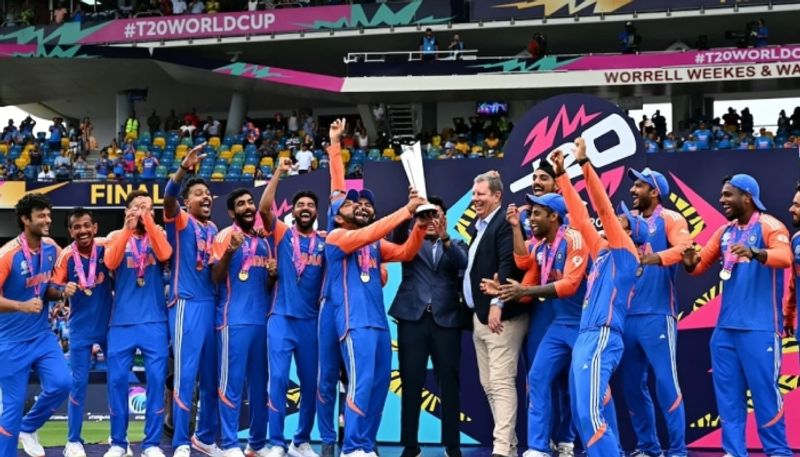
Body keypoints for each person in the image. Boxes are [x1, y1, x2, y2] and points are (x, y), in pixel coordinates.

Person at [682, 174, 792, 457]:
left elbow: (784, 258)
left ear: (747, 197)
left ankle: (777, 452)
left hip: (760, 328)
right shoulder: (725, 232)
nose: (722, 200)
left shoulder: (770, 225)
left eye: (728, 194)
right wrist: (688, 262)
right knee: (728, 399)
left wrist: (755, 252)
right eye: (721, 195)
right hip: (725, 331)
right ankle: (734, 452)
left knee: (765, 395)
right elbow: (698, 267)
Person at [325, 184, 428, 457]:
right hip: (353, 322)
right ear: (337, 216)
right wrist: (407, 210)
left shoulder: (374, 245)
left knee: (379, 385)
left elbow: (406, 253)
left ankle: (366, 445)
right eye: (350, 205)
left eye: (363, 204)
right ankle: (351, 447)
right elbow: (373, 230)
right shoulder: (335, 237)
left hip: (379, 324)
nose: (359, 206)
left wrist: (419, 226)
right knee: (361, 382)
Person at [552, 139, 641, 457]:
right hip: (586, 336)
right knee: (581, 412)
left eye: (622, 221)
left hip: (603, 336)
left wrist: (585, 165)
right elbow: (581, 218)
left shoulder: (627, 252)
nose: (612, 221)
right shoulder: (602, 251)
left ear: (631, 233)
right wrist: (562, 177)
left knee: (589, 414)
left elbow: (601, 207)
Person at [482, 193, 588, 457]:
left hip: (584, 325)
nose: (531, 219)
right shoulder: (540, 248)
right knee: (538, 378)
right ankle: (538, 448)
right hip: (559, 324)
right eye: (529, 215)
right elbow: (524, 271)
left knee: (585, 387)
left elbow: (570, 285)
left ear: (554, 216)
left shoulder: (574, 238)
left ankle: (600, 447)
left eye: (536, 214)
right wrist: (506, 291)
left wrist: (522, 291)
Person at [620, 168, 691, 457]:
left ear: (655, 191)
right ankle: (648, 447)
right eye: (633, 185)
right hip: (625, 317)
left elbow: (685, 248)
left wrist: (654, 258)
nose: (633, 190)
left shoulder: (670, 218)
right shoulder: (629, 221)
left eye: (639, 185)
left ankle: (677, 450)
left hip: (658, 313)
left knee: (665, 382)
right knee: (632, 387)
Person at [389, 196, 468, 457]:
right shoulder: (411, 243)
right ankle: (410, 446)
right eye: (427, 215)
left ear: (445, 217)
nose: (432, 220)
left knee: (449, 383)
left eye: (436, 215)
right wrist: (411, 210)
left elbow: (462, 264)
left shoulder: (456, 244)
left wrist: (445, 237)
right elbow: (397, 233)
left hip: (446, 321)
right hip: (413, 319)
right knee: (411, 382)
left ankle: (452, 445)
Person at [258, 158, 325, 457]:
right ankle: (275, 442)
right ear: (293, 211)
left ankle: (301, 440)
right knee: (280, 380)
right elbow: (264, 208)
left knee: (311, 383)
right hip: (281, 319)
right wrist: (279, 172)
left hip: (311, 323)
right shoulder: (283, 234)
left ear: (316, 212)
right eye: (301, 205)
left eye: (311, 204)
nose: (306, 208)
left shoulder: (325, 242)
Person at [462, 171, 527, 457]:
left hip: (501, 316)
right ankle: (509, 446)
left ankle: (501, 449)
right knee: (489, 384)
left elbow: (508, 265)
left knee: (500, 382)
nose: (476, 199)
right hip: (480, 316)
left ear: (497, 196)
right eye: (474, 194)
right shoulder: (480, 226)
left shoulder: (503, 223)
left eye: (481, 194)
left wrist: (497, 305)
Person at [163, 146, 222, 457]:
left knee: (212, 377)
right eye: (199, 193)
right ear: (188, 202)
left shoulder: (213, 229)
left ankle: (204, 436)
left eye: (208, 193)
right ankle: (180, 441)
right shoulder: (181, 220)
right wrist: (183, 170)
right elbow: (168, 199)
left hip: (211, 303)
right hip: (186, 303)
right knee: (187, 375)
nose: (206, 197)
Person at [103, 191, 172, 457]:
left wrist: (150, 224)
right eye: (138, 207)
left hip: (154, 321)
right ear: (127, 211)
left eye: (149, 208)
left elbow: (166, 254)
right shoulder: (114, 236)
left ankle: (151, 444)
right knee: (117, 381)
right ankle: (119, 443)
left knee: (155, 381)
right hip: (121, 322)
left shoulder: (159, 237)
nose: (144, 211)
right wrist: (126, 228)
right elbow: (110, 262)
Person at [0, 194, 70, 457]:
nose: (47, 220)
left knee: (63, 383)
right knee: (12, 409)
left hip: (41, 335)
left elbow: (48, 287)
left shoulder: (51, 247)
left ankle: (28, 427)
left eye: (48, 215)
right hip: (10, 341)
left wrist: (62, 291)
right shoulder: (7, 255)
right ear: (25, 219)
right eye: (41, 215)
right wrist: (21, 306)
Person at [211, 189, 276, 457]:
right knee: (231, 385)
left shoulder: (264, 241)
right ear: (231, 212)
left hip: (262, 322)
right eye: (241, 204)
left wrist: (273, 274)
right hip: (232, 320)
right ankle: (229, 444)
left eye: (250, 202)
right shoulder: (225, 235)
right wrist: (230, 251)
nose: (248, 207)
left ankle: (256, 444)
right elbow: (215, 277)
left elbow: (267, 285)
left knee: (261, 388)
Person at [50, 208, 113, 457]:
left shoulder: (106, 247)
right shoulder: (66, 256)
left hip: (110, 326)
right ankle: (73, 440)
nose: (83, 231)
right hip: (80, 329)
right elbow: (53, 287)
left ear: (95, 227)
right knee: (77, 384)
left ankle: (118, 437)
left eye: (87, 225)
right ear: (70, 231)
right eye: (77, 227)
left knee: (117, 381)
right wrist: (62, 291)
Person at [784, 184, 799, 358]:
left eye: (797, 205)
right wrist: (789, 317)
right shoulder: (796, 240)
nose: (791, 209)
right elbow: (794, 283)